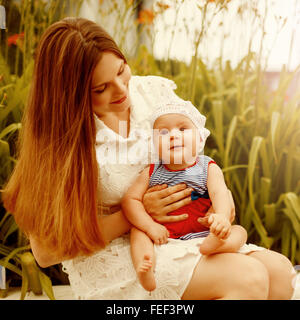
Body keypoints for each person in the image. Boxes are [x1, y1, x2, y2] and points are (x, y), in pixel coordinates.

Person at [2, 17, 295, 300]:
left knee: (280, 273)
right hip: (116, 255)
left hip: (183, 234)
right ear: (71, 96)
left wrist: (220, 207)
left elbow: (199, 170)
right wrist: (138, 214)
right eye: (100, 89)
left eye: (120, 71)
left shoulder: (154, 94)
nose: (120, 90)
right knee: (248, 278)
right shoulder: (59, 139)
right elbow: (45, 252)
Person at [122, 101, 248, 292]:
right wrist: (150, 226)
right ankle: (145, 265)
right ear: (155, 144)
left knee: (239, 231)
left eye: (182, 129)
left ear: (199, 139)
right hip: (164, 233)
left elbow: (220, 192)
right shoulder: (151, 171)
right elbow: (130, 200)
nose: (173, 135)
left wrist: (221, 217)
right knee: (137, 231)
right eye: (163, 133)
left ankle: (214, 245)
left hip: (204, 229)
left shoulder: (207, 167)